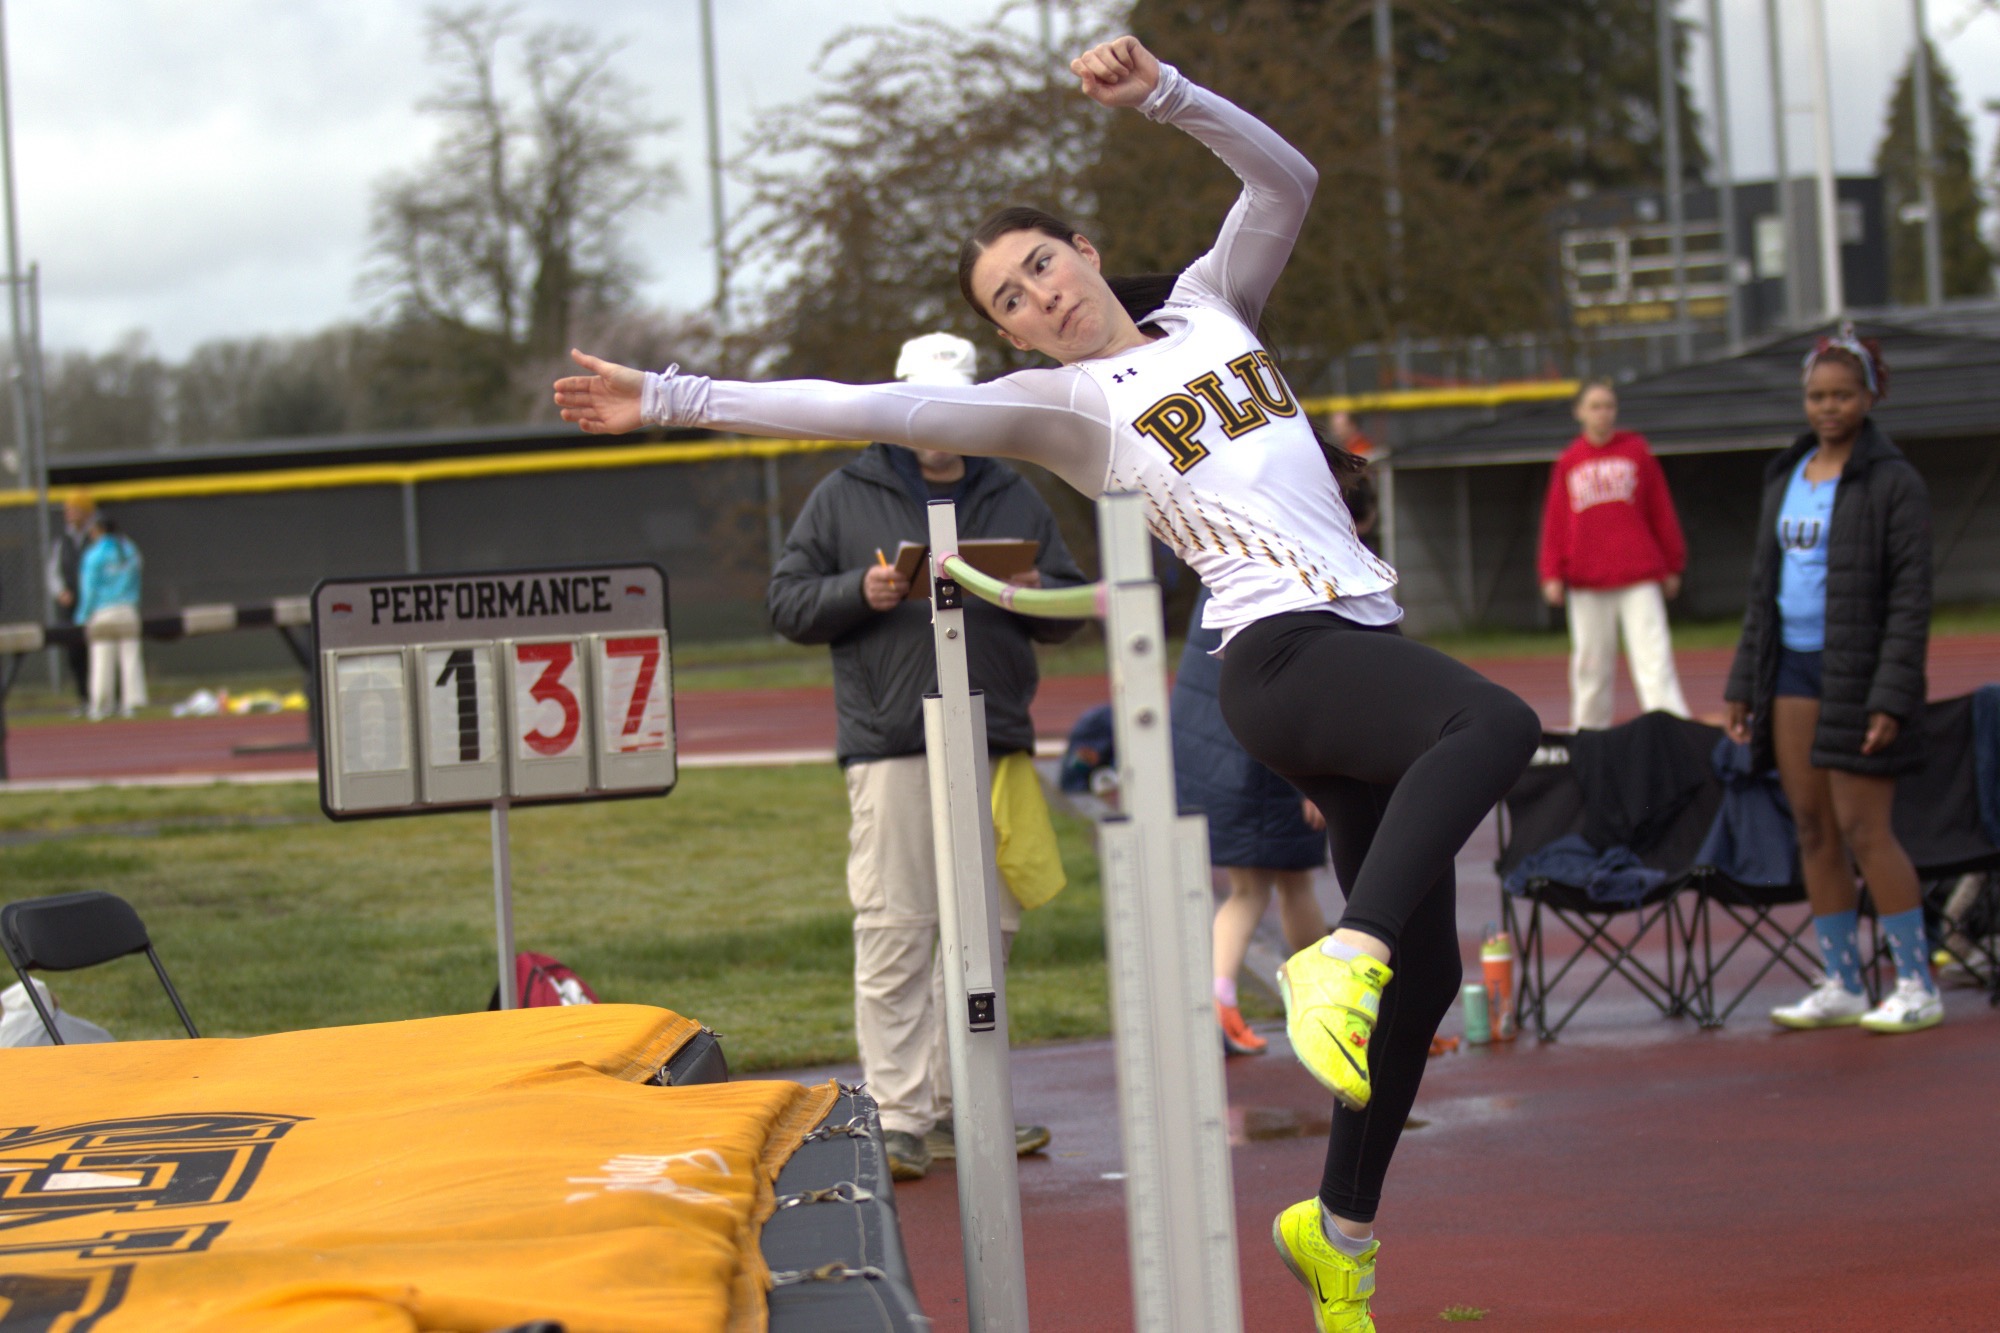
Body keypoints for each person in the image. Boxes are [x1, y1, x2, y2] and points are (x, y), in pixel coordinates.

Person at [557, 37, 1540, 1330]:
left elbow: (1286, 182)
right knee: (1496, 721)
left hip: (1345, 631)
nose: (1038, 298)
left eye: (1041, 267)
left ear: (1081, 246)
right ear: (1009, 336)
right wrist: (674, 392)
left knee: (1412, 990)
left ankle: (1337, 1230)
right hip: (1285, 656)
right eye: (1010, 302)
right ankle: (1334, 952)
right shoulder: (1065, 405)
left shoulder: (1212, 305)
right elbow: (863, 405)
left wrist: (1170, 97)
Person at [766, 331, 1084, 1182]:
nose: (939, 424)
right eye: (923, 404)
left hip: (996, 742)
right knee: (899, 928)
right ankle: (898, 1114)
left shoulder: (1014, 490)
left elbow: (1067, 604)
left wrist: (1029, 591)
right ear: (897, 402)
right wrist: (856, 592)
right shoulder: (843, 494)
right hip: (893, 741)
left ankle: (960, 1107)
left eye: (955, 405)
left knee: (990, 930)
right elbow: (787, 602)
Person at [1724, 326, 1939, 1035]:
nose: (1829, 407)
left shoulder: (1894, 481)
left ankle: (1916, 981)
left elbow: (1912, 597)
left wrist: (1891, 694)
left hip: (1861, 674)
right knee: (1813, 826)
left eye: (1843, 394)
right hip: (1790, 670)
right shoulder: (1786, 475)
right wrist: (1742, 684)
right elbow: (1765, 587)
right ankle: (1844, 980)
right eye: (1817, 395)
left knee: (1862, 827)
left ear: (1870, 395)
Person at [1172, 585, 1329, 1056]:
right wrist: (1312, 778)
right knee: (1288, 885)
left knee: (1255, 887)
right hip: (1257, 754)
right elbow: (1293, 680)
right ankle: (1320, 1006)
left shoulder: (1220, 564)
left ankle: (1221, 1001)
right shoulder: (1284, 574)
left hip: (1210, 747)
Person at [1538, 379, 1692, 731]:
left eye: (1608, 405)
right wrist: (1551, 572)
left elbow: (1660, 509)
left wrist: (1672, 563)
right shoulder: (1569, 462)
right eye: (1594, 406)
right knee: (1591, 664)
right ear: (1579, 412)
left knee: (1653, 658)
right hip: (1586, 579)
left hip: (1638, 574)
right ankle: (1590, 734)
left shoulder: (1636, 452)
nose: (1602, 413)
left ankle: (1673, 729)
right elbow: (1556, 521)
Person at [75, 514, 147, 721]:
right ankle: (132, 703)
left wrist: (83, 615)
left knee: (101, 658)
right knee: (131, 656)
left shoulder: (94, 555)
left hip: (102, 612)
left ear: (97, 530)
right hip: (127, 609)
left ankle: (100, 705)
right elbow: (137, 576)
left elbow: (88, 588)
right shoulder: (129, 550)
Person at [46, 493, 97, 710]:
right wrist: (61, 592)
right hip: (72, 607)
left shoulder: (96, 538)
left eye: (74, 509)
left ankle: (103, 698)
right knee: (75, 654)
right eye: (67, 510)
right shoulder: (63, 541)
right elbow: (52, 572)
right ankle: (84, 698)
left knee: (98, 652)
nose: (69, 514)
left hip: (95, 606)